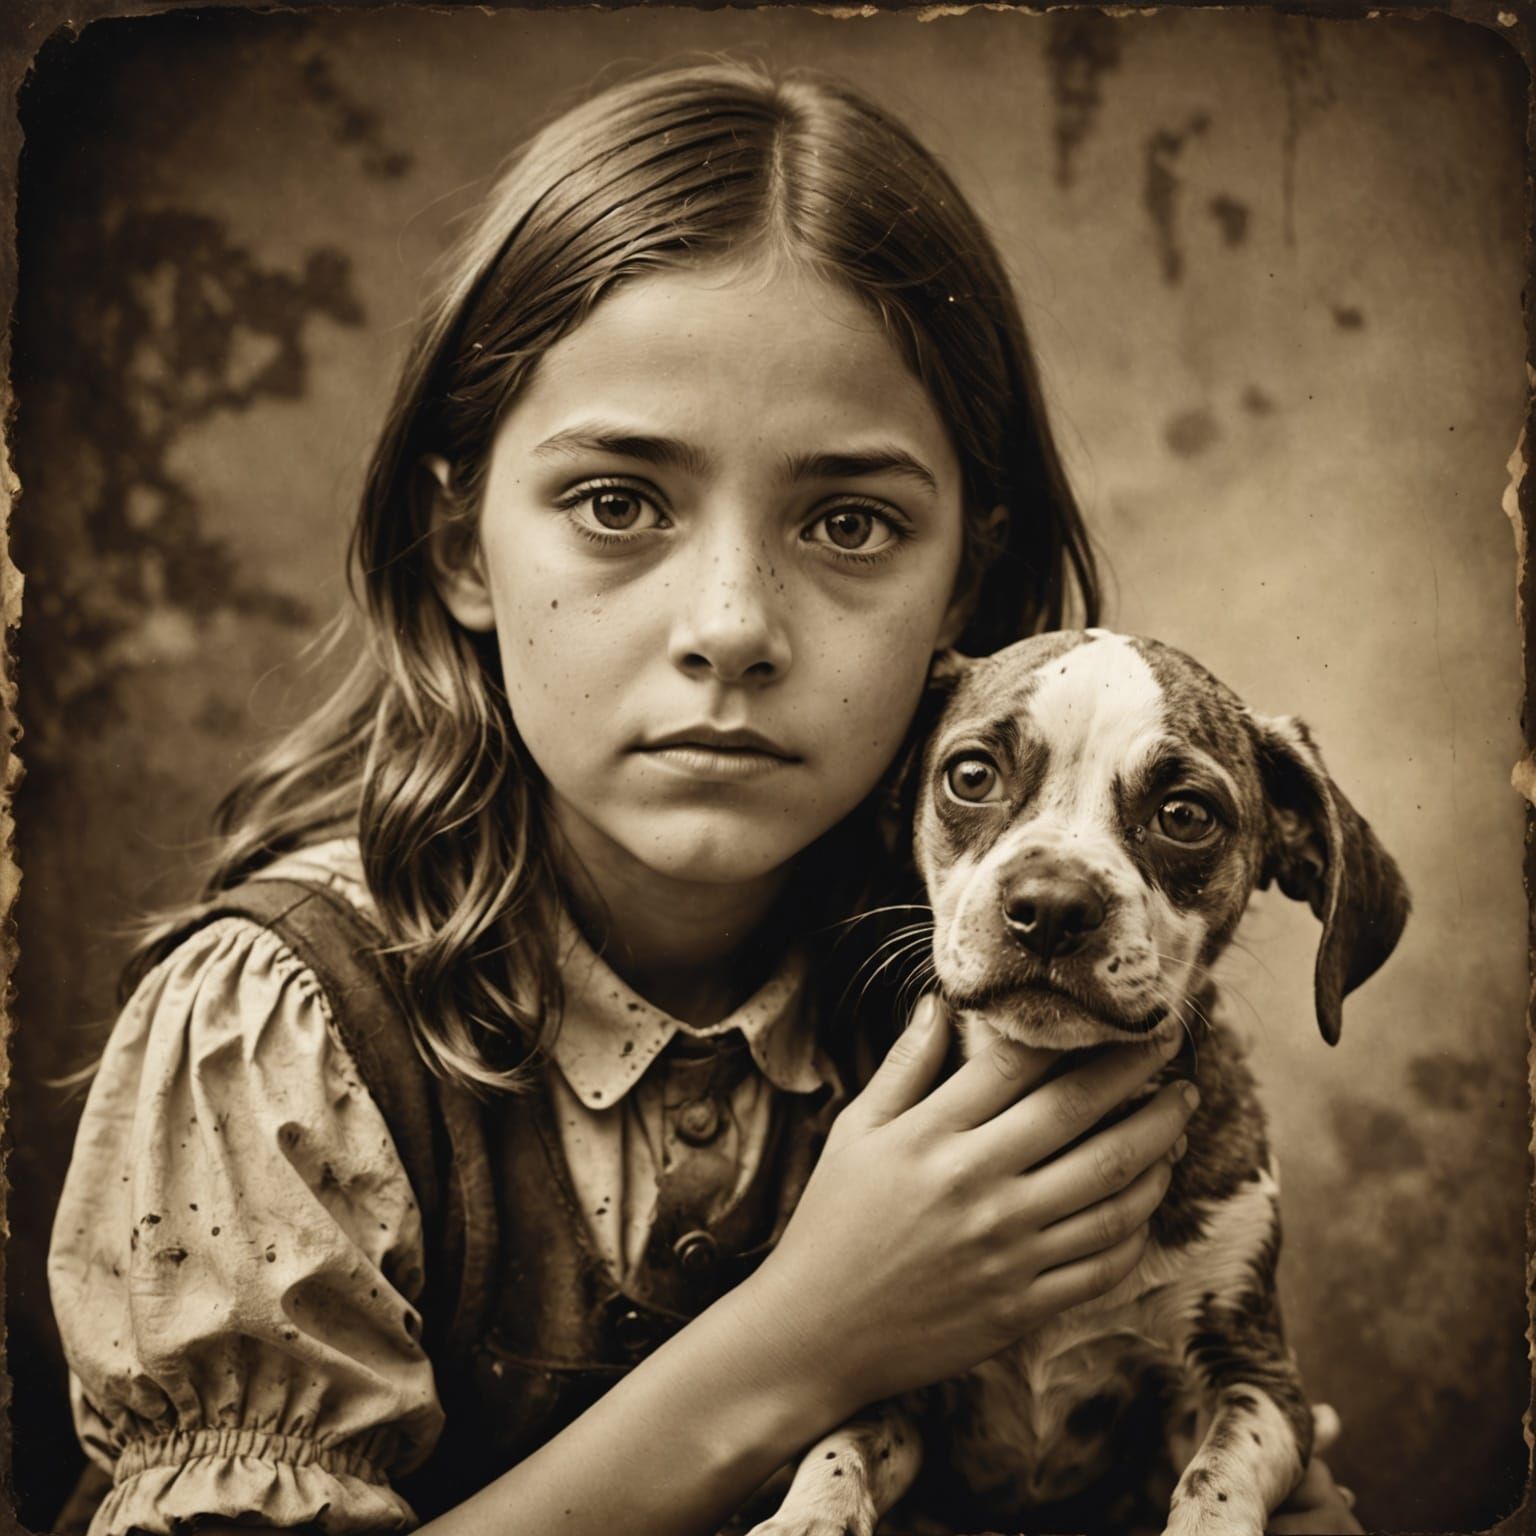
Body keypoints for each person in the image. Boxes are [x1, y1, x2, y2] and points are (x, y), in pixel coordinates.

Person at [46, 62, 1359, 1536]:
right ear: (464, 543)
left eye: (850, 521)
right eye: (618, 503)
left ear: (967, 600)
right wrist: (805, 1341)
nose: (732, 624)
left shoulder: (996, 986)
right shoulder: (282, 1040)